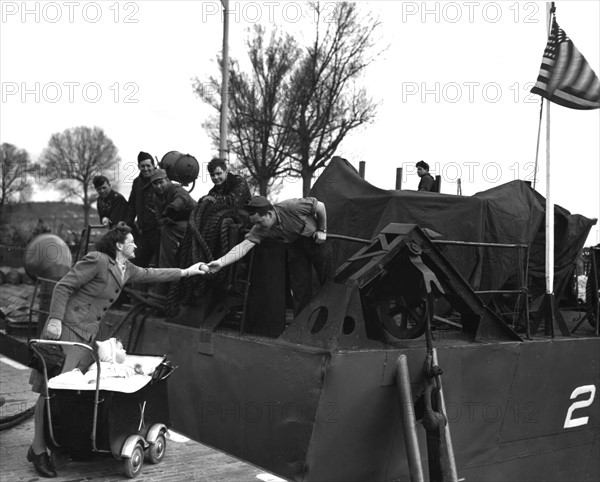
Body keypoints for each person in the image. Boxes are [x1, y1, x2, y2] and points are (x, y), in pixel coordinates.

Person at [27, 222, 206, 478]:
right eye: (132, 241)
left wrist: (188, 271)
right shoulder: (98, 260)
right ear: (119, 245)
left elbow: (153, 274)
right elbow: (63, 286)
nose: (136, 245)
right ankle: (38, 450)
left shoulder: (126, 268)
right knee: (51, 391)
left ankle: (62, 443)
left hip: (87, 334)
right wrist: (55, 320)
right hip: (66, 330)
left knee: (70, 392)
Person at [204, 196, 333, 316]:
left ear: (270, 214)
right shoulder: (260, 228)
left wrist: (322, 230)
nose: (257, 227)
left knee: (328, 282)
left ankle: (333, 318)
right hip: (295, 246)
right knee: (300, 290)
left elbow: (320, 206)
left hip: (316, 241)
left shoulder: (292, 206)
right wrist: (221, 262)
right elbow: (243, 247)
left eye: (260, 222)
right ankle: (301, 328)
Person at [151, 168, 197, 271]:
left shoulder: (176, 188)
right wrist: (165, 220)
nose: (158, 186)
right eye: (155, 184)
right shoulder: (156, 197)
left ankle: (169, 270)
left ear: (167, 180)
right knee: (159, 233)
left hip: (194, 222)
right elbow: (158, 218)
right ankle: (163, 268)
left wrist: (172, 208)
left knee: (167, 232)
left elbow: (182, 198)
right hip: (177, 224)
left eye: (161, 182)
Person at [124, 151, 160, 268]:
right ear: (138, 166)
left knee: (161, 264)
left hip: (159, 231)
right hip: (144, 232)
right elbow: (132, 205)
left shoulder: (160, 181)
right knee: (137, 262)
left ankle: (158, 287)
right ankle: (138, 287)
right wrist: (126, 223)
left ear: (153, 166)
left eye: (148, 166)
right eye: (142, 166)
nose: (145, 169)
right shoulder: (137, 183)